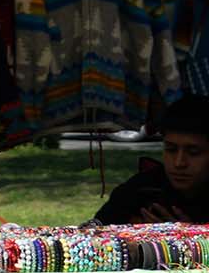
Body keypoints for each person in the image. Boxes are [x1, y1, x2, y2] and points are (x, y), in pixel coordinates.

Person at [87, 96, 209, 225]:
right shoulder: (143, 188)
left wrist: (194, 237)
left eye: (193, 153)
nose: (179, 163)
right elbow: (97, 231)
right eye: (171, 149)